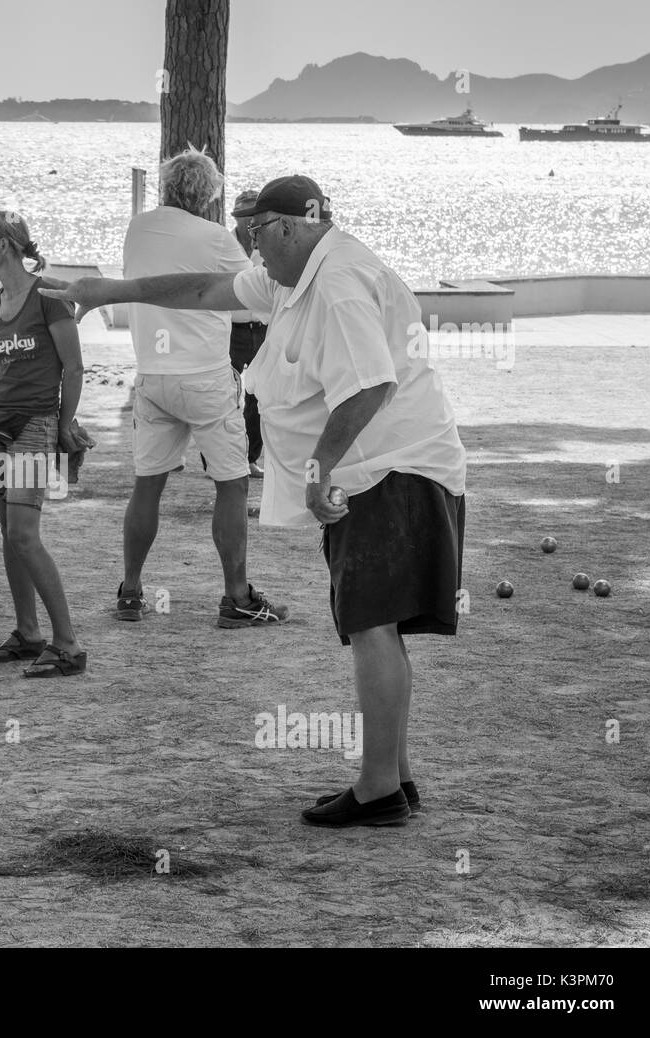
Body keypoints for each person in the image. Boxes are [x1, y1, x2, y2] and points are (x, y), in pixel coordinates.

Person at [43, 175, 467, 827]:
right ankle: (397, 779)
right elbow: (205, 290)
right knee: (375, 625)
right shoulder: (295, 273)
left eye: (256, 233)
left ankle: (379, 788)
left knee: (372, 622)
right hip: (385, 468)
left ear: (293, 225)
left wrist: (319, 466)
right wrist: (113, 293)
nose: (249, 248)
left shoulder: (337, 281)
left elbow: (371, 386)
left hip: (391, 468)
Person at [117, 148, 287, 629]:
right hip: (206, 376)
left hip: (151, 375)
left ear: (167, 187)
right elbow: (251, 299)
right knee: (231, 485)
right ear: (210, 194)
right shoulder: (215, 238)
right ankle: (236, 597)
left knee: (147, 486)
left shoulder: (138, 228)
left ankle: (130, 591)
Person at [0, 209, 87, 677]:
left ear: (5, 244)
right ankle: (28, 632)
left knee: (23, 533)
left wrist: (65, 426)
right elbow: (1, 369)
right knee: (8, 533)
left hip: (35, 426)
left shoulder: (51, 296)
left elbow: (74, 368)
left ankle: (68, 645)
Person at [229, 188, 270, 478]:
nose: (249, 221)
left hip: (262, 329)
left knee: (259, 397)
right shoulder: (223, 244)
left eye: (253, 216)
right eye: (244, 216)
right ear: (236, 217)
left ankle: (251, 458)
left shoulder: (267, 246)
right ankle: (217, 460)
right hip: (229, 330)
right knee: (223, 395)